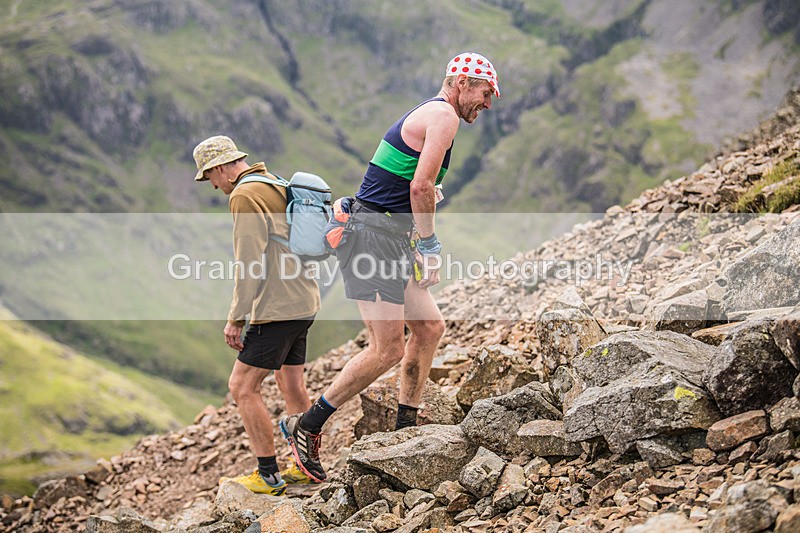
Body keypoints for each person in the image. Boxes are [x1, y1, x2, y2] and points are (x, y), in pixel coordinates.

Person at [281, 53, 500, 483]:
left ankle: (405, 427)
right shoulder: (443, 115)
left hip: (388, 236)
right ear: (460, 83)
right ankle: (307, 424)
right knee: (387, 348)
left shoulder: (430, 113)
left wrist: (413, 225)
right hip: (371, 238)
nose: (489, 104)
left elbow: (408, 184)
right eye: (486, 93)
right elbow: (418, 185)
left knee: (430, 328)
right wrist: (431, 244)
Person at [192, 135, 321, 495]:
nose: (213, 186)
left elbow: (249, 262)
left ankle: (268, 475)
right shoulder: (273, 181)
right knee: (291, 384)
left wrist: (236, 318)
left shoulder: (244, 195)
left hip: (276, 308)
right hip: (304, 300)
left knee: (242, 386)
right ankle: (305, 468)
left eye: (210, 177)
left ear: (220, 168)